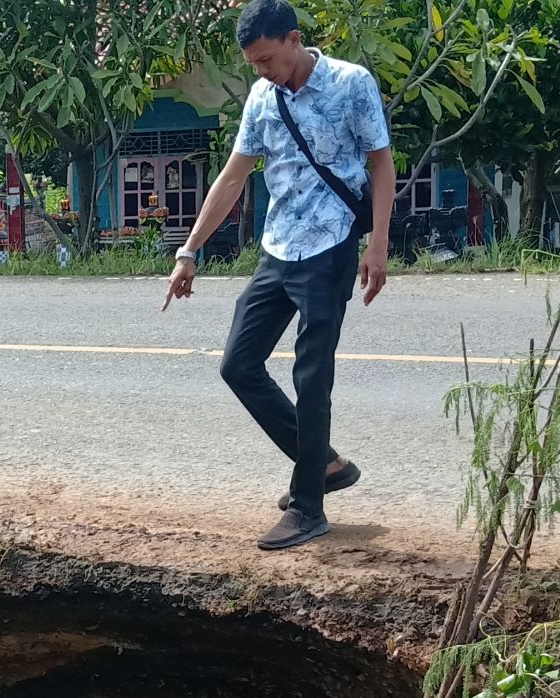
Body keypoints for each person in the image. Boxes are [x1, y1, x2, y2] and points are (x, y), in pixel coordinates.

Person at [164, 0, 394, 551]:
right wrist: (189, 251)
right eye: (255, 64)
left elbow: (381, 162)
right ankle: (325, 466)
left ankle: (309, 507)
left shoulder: (350, 84)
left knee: (312, 376)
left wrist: (379, 243)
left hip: (331, 245)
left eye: (268, 59)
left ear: (293, 39)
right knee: (238, 364)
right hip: (278, 247)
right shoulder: (263, 96)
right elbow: (233, 176)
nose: (263, 72)